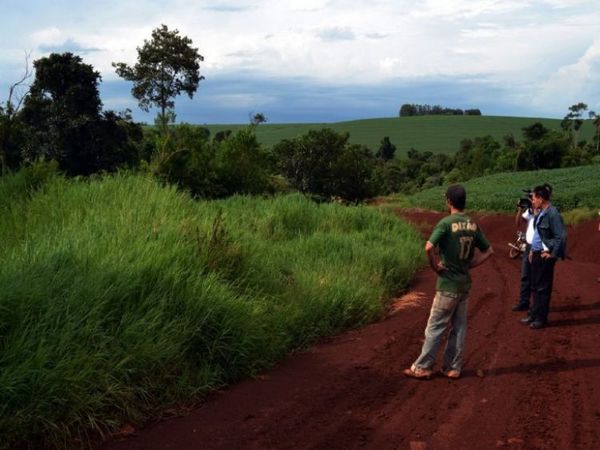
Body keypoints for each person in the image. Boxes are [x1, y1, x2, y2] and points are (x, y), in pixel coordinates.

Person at [404, 184, 494, 380]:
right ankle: (453, 368)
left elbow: (428, 247)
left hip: (447, 286)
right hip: (464, 285)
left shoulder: (445, 223)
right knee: (459, 328)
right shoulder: (472, 224)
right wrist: (471, 265)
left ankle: (422, 367)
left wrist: (435, 267)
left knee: (435, 327)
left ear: (449, 202)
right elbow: (488, 251)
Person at [520, 185, 566, 329]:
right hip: (536, 254)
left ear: (540, 198)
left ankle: (541, 318)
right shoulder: (541, 212)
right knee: (534, 286)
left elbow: (561, 236)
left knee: (543, 288)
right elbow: (539, 235)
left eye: (534, 198)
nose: (532, 201)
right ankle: (533, 314)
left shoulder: (552, 213)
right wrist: (534, 250)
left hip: (545, 256)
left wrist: (552, 254)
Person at [511, 194, 537, 312]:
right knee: (525, 275)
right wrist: (520, 209)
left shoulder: (542, 212)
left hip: (537, 247)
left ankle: (536, 307)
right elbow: (518, 223)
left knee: (536, 278)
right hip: (528, 246)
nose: (532, 200)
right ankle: (524, 302)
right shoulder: (530, 212)